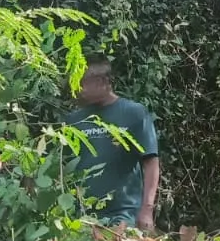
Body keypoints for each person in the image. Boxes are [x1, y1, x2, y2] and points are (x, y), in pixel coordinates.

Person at [65, 57, 161, 230]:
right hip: (83, 215)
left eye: (82, 82)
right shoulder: (74, 120)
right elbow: (63, 166)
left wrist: (147, 210)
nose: (78, 88)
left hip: (124, 214)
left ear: (102, 81)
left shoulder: (134, 113)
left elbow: (151, 162)